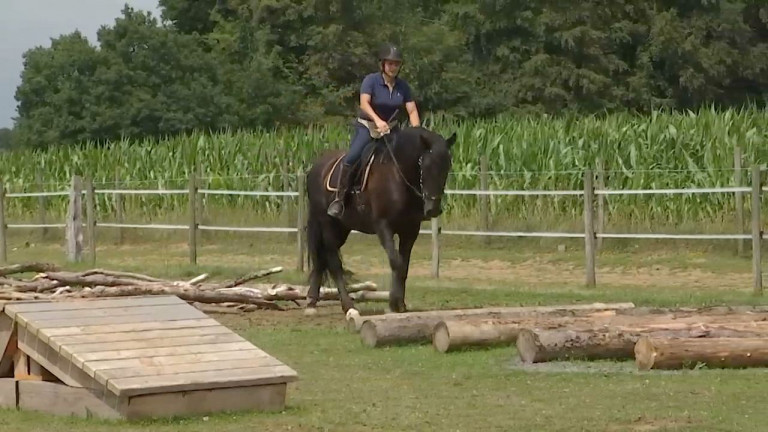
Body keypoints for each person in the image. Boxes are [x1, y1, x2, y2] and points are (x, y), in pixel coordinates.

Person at [327, 43, 422, 218]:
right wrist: (378, 121)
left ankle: (416, 201)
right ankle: (339, 198)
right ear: (382, 64)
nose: (393, 67)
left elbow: (412, 110)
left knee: (411, 157)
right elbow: (364, 103)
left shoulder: (403, 87)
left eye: (397, 64)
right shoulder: (371, 81)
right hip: (368, 127)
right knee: (353, 156)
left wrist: (416, 133)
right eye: (390, 63)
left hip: (391, 130)